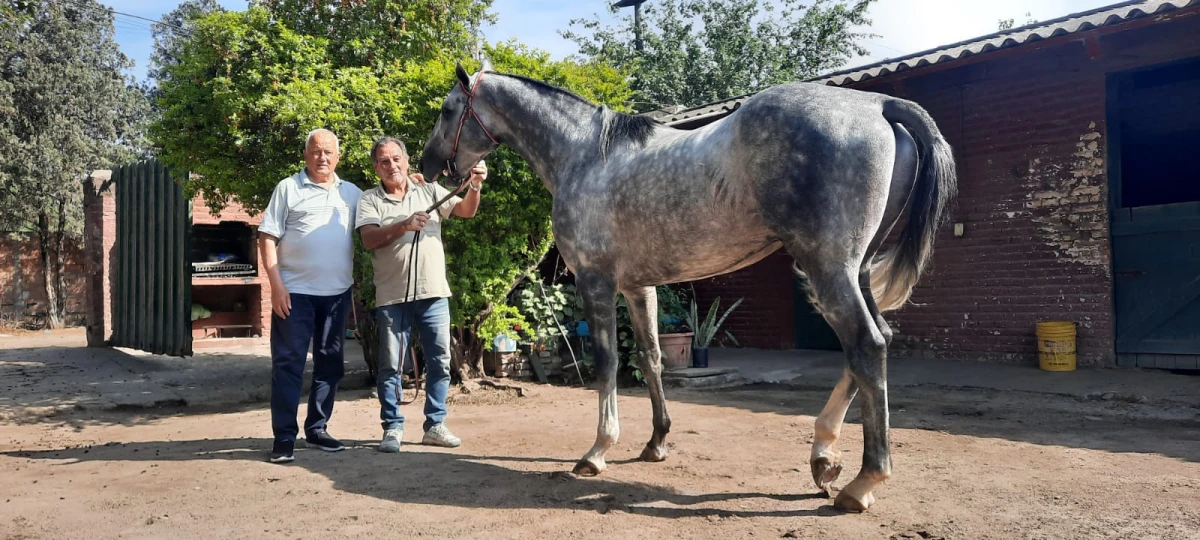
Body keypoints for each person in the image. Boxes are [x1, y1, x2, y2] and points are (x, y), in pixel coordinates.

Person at [355, 136, 486, 453]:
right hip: (391, 297)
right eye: (384, 161)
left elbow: (466, 211)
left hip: (433, 293)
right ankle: (392, 428)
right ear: (376, 167)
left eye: (396, 159)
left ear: (407, 160)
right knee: (390, 366)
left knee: (440, 362)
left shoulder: (427, 189)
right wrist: (403, 225)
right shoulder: (369, 200)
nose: (392, 165)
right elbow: (369, 240)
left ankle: (435, 425)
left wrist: (476, 185)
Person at [258, 128, 363, 464]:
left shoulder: (352, 194)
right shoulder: (288, 188)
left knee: (330, 364)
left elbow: (387, 208)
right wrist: (276, 286)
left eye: (329, 152)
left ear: (338, 157)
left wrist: (410, 182)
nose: (322, 158)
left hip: (337, 295)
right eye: (316, 151)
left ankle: (317, 429)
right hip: (295, 294)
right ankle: (284, 437)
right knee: (288, 364)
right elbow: (267, 238)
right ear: (306, 155)